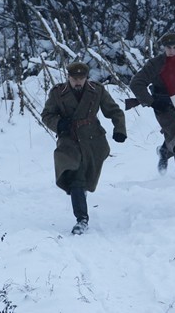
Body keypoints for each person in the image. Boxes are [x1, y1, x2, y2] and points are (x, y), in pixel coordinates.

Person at [41, 61, 127, 235]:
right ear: (68, 77)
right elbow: (46, 115)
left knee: (86, 179)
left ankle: (80, 194)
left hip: (93, 140)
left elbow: (114, 111)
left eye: (81, 78)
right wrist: (59, 123)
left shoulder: (97, 90)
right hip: (69, 140)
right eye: (74, 78)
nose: (78, 82)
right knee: (75, 177)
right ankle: (82, 219)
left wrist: (119, 129)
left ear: (87, 78)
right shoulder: (58, 93)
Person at [129, 32, 175, 178]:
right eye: (168, 48)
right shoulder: (156, 64)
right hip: (164, 107)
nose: (172, 51)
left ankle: (164, 151)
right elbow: (136, 83)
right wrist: (152, 102)